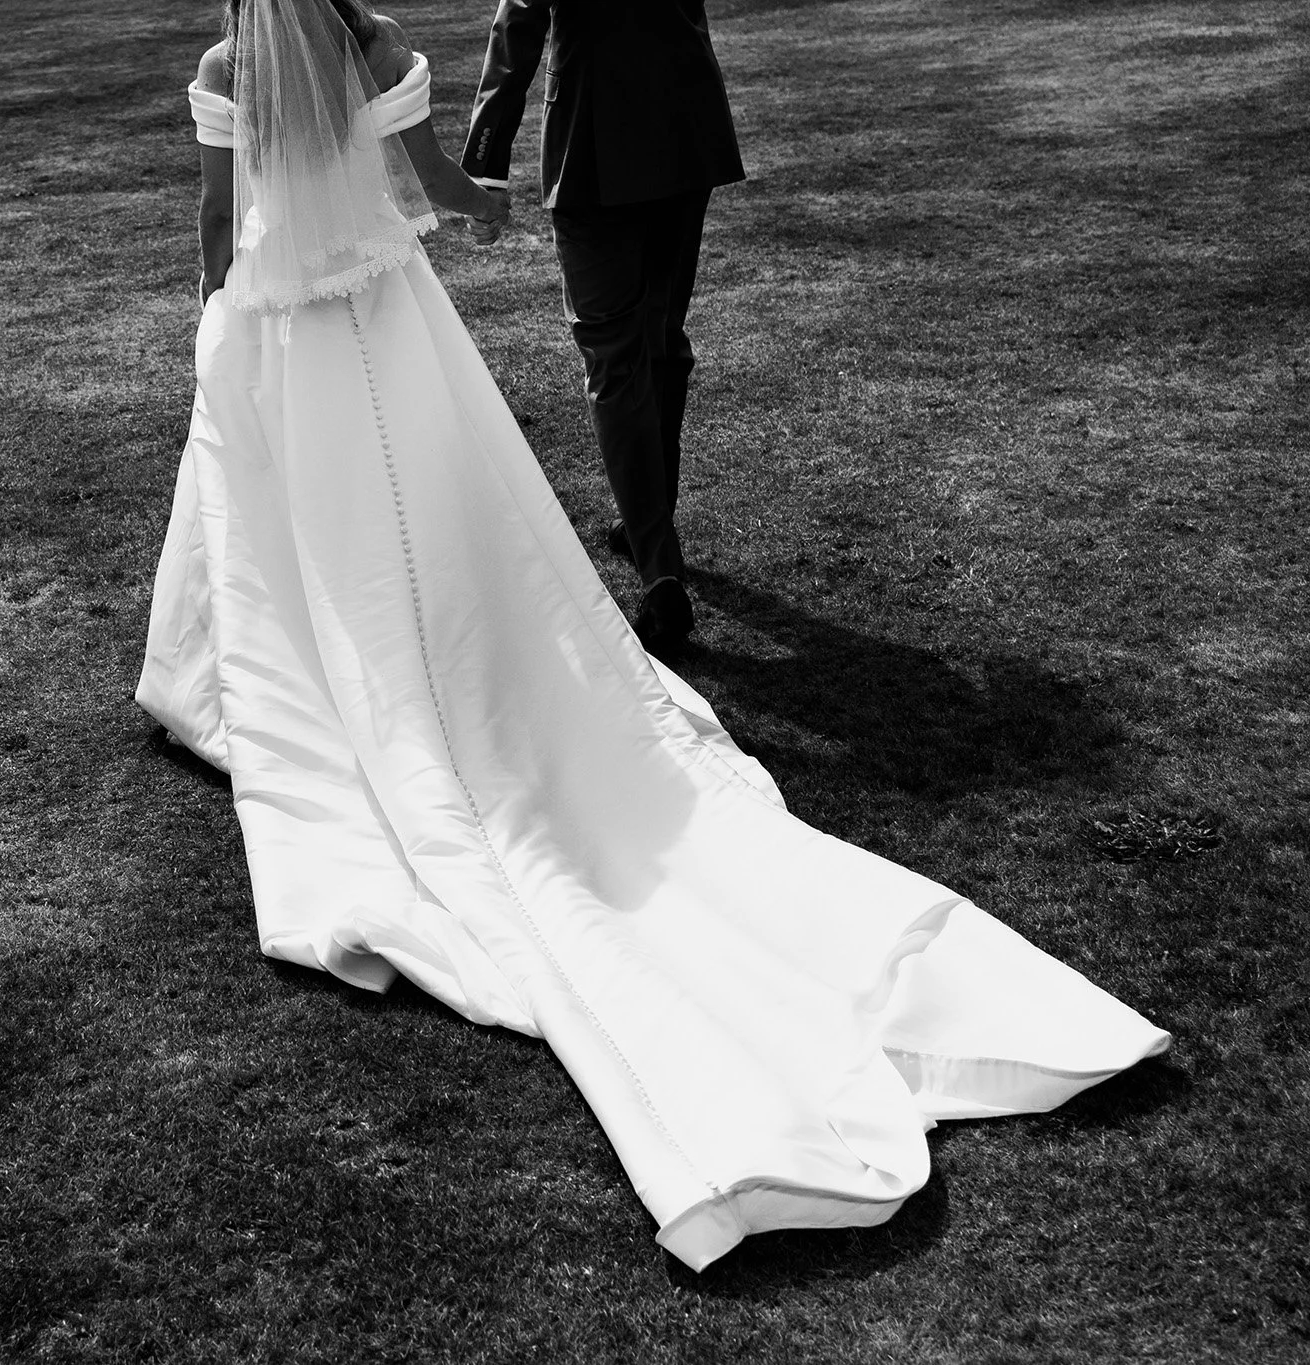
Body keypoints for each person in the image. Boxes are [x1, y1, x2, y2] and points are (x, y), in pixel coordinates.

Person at [138, 0, 1168, 1271]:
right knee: (447, 507)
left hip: (285, 330)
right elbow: (433, 185)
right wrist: (472, 206)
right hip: (390, 320)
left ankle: (336, 675)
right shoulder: (376, 45)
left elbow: (211, 226)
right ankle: (468, 656)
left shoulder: (226, 67)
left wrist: (216, 308)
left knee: (314, 526)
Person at [461, 0, 746, 653]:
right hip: (686, 121)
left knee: (617, 354)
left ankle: (660, 569)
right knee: (660, 339)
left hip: (596, 137)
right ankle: (651, 525)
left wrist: (486, 161)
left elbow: (519, 19)